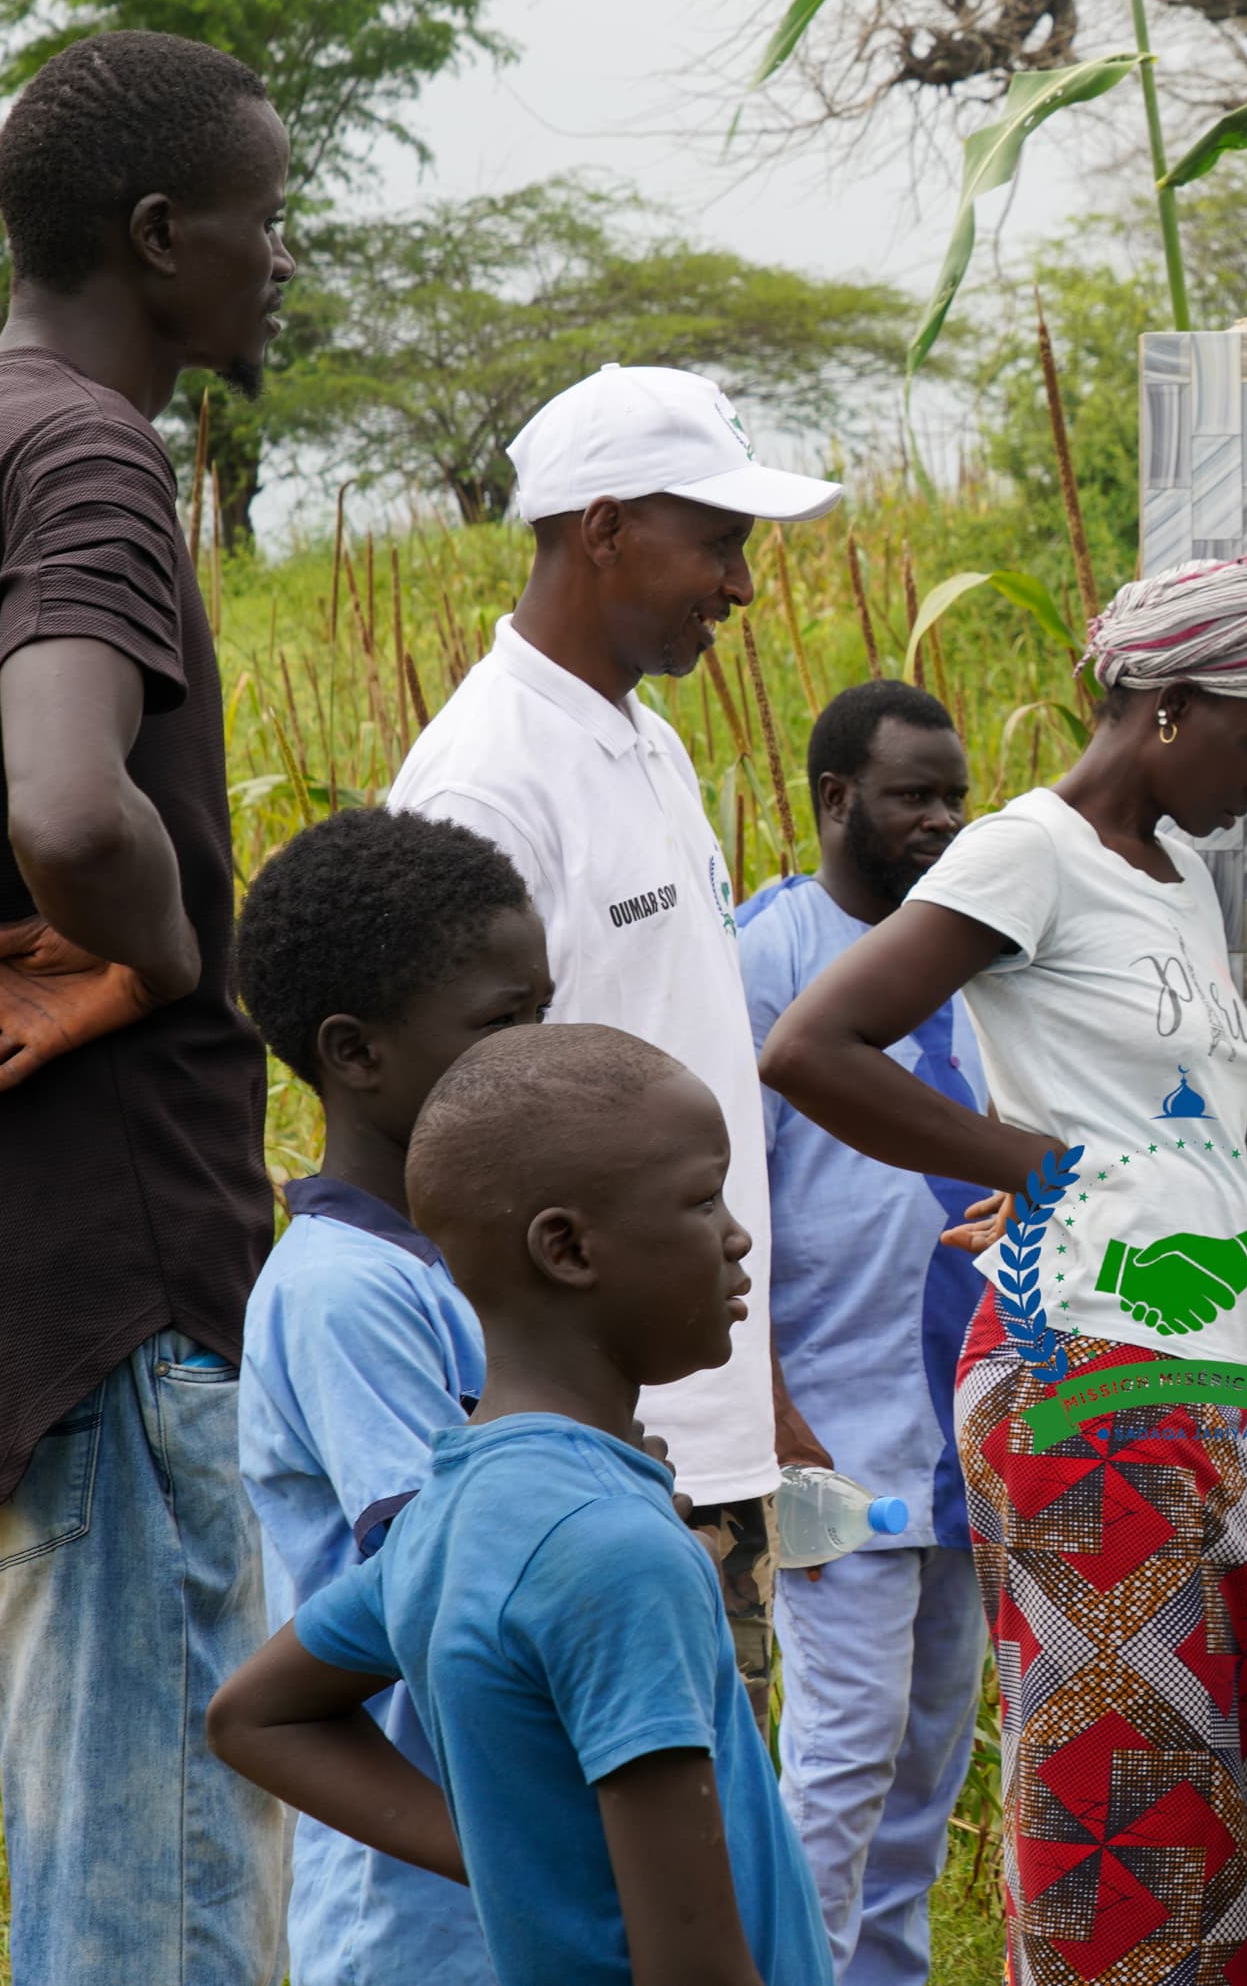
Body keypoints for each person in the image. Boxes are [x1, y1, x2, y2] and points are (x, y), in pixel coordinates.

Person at [0, 27, 289, 1981]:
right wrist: (168, 953)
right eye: (266, 223)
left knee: (111, 1856)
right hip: (117, 1283)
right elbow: (71, 801)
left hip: (1, 1275)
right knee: (161, 1895)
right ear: (161, 232)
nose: (282, 264)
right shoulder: (89, 449)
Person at [761, 554, 1247, 1986]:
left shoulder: (1182, 879)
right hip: (1083, 1387)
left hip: (1204, 1394)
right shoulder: (1027, 851)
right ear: (1166, 705)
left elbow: (1204, 1141)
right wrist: (1026, 1160)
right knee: (1136, 1831)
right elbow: (811, 1048)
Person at [390, 363, 842, 1715]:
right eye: (716, 543)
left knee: (718, 1843)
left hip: (696, 1430)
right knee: (644, 1871)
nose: (738, 586)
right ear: (602, 528)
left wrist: (756, 1396)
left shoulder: (646, 749)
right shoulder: (486, 779)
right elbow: (455, 1131)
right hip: (602, 1451)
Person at [207, 1023, 830, 1986]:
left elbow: (255, 1714)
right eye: (703, 1199)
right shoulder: (619, 1552)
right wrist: (511, 1854)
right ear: (568, 1248)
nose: (737, 1233)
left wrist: (517, 1860)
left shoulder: (456, 1508)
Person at [235, 809, 557, 1983]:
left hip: (508, 1874)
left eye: (542, 1012)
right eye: (496, 1024)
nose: (532, 1052)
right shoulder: (343, 1291)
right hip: (416, 1905)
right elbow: (446, 1581)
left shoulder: (472, 1257)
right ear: (356, 1053)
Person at [735, 681, 989, 1986]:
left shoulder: (981, 953)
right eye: (913, 797)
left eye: (956, 795)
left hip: (966, 1439)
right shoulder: (769, 955)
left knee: (921, 1773)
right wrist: (776, 1425)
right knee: (839, 1759)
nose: (943, 820)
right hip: (837, 1437)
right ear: (837, 799)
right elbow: (728, 1205)